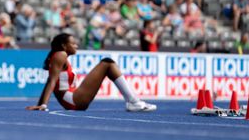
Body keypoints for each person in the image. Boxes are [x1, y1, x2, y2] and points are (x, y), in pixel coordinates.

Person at [26, 34, 157, 112]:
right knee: (107, 63)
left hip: (72, 99)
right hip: (73, 100)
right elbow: (52, 81)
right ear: (64, 46)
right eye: (73, 43)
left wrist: (40, 104)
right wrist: (43, 105)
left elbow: (50, 80)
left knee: (108, 63)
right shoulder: (60, 55)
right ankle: (133, 102)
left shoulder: (60, 56)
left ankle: (133, 101)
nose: (76, 46)